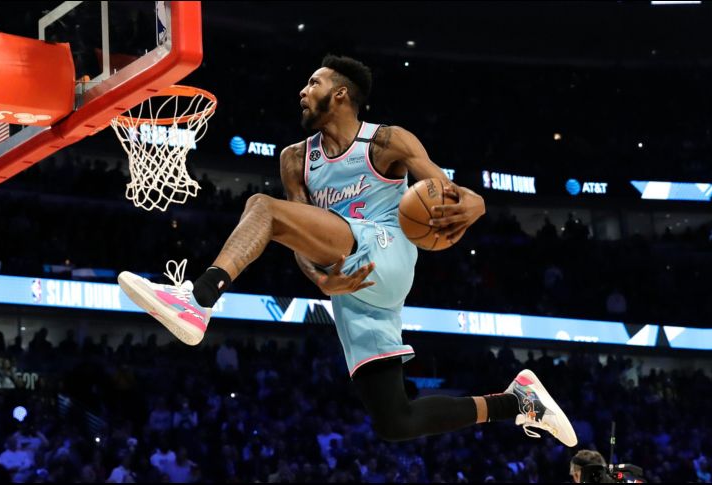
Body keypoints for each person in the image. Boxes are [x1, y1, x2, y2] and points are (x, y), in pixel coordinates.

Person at [118, 54, 577, 446]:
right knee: (396, 421)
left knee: (260, 205)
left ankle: (198, 299)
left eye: (313, 82)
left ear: (340, 95)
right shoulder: (295, 158)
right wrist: (319, 279)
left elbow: (446, 189)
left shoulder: (385, 140)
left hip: (387, 249)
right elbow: (296, 234)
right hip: (348, 284)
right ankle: (517, 402)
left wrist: (475, 203)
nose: (302, 91)